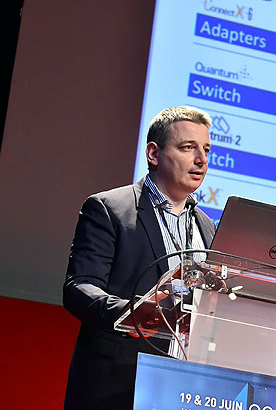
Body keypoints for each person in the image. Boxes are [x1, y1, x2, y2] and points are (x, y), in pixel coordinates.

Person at [63, 106, 216, 409]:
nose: (201, 159)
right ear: (153, 154)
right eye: (188, 147)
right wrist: (138, 313)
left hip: (189, 391)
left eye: (206, 149)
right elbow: (79, 288)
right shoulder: (109, 209)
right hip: (119, 385)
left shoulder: (208, 227)